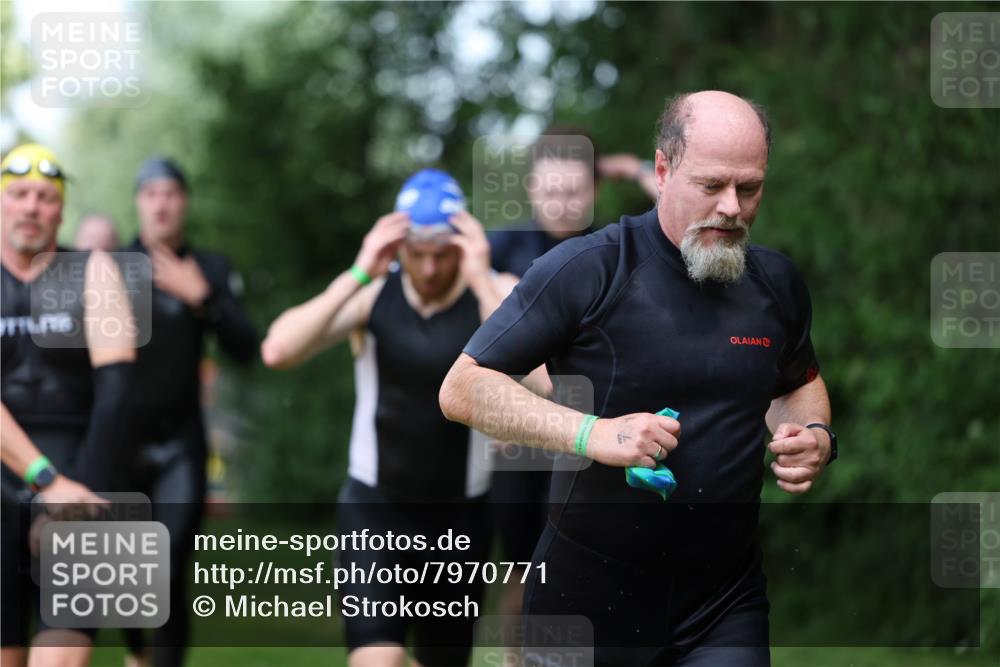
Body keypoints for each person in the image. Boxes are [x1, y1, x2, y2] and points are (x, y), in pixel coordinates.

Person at [440, 91, 836, 666]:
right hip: (585, 604)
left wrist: (813, 433)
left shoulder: (775, 284)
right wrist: (593, 435)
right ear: (662, 169)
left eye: (748, 188)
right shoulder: (587, 270)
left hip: (723, 605)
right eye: (711, 185)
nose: (731, 207)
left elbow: (796, 383)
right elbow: (464, 387)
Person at [262, 169, 533, 667]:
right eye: (417, 253)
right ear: (398, 246)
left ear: (464, 245)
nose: (429, 269)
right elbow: (278, 350)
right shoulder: (372, 295)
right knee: (375, 660)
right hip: (375, 512)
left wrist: (478, 277)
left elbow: (549, 383)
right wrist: (359, 270)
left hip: (460, 519)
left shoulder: (494, 293)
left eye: (443, 254)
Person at [486, 127, 659, 619]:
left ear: (595, 190)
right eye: (550, 192)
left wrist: (633, 169)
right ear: (531, 189)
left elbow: (682, 207)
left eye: (573, 191)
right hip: (523, 436)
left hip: (597, 430)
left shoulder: (617, 248)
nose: (561, 204)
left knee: (587, 567)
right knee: (524, 574)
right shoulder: (502, 247)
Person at [1, 143, 135, 667]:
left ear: (61, 208)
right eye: (19, 194)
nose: (32, 206)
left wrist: (77, 502)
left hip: (81, 480)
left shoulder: (94, 272)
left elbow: (118, 394)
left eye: (45, 196)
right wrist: (44, 482)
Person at [121, 156, 258, 667]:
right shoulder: (113, 268)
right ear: (139, 202)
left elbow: (247, 348)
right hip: (123, 445)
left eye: (171, 193)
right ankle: (138, 653)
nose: (161, 203)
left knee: (168, 563)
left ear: (185, 202)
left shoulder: (211, 269)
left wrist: (203, 299)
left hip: (182, 443)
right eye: (151, 193)